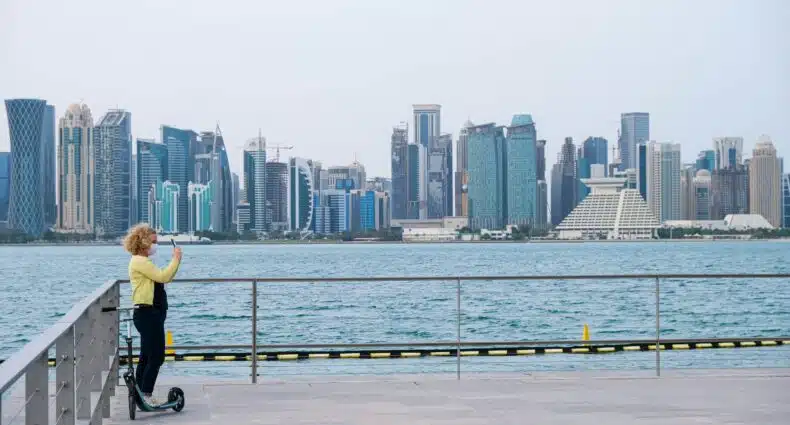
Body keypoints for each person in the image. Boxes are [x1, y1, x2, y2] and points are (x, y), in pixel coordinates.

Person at [123, 223, 182, 407]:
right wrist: (176, 259)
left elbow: (161, 277)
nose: (155, 246)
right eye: (153, 242)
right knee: (156, 356)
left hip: (150, 313)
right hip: (148, 314)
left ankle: (138, 393)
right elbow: (164, 276)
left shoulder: (143, 261)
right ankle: (145, 393)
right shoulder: (140, 261)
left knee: (147, 355)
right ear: (144, 243)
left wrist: (174, 263)